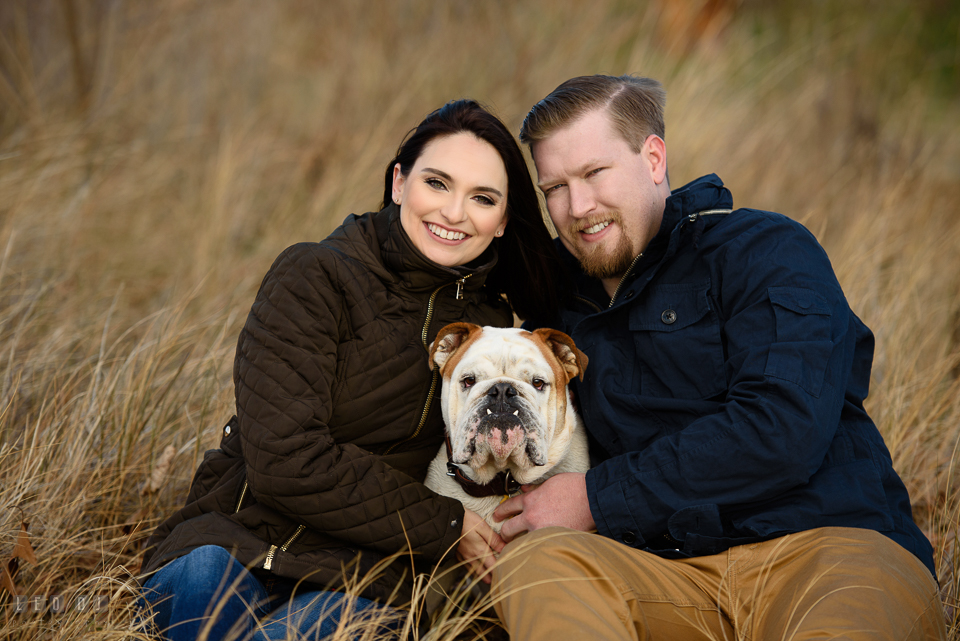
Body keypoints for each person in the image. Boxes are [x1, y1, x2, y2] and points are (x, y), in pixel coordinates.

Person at [490, 75, 947, 640]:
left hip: (830, 553)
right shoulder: (553, 300)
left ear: (653, 158)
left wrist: (595, 498)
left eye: (594, 174)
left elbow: (783, 428)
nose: (578, 207)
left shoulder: (764, 250)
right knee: (537, 564)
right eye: (554, 187)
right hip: (669, 578)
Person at [137, 99, 558, 640]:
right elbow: (285, 459)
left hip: (361, 576)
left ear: (502, 222)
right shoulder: (315, 276)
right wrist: (445, 526)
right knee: (201, 583)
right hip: (236, 539)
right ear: (399, 183)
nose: (454, 213)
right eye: (437, 183)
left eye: (482, 198)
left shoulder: (493, 332)